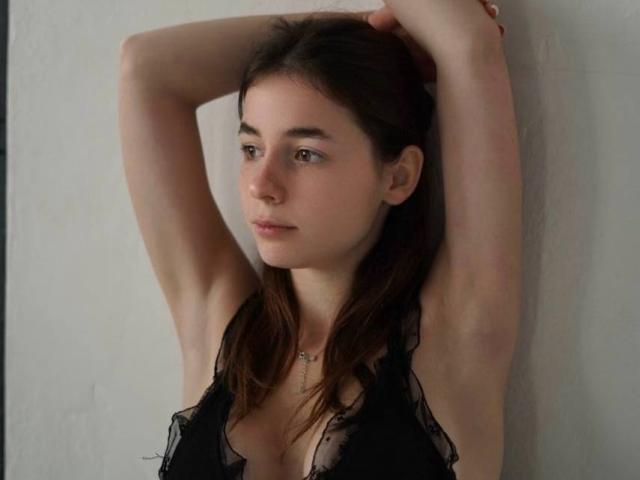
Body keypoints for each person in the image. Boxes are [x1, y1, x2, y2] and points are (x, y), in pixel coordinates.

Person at [118, 1, 520, 479]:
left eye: (305, 154)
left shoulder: (454, 338)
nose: (261, 186)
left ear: (397, 177)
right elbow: (145, 67)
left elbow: (466, 37)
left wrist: (366, 43)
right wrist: (359, 33)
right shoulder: (220, 321)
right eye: (251, 148)